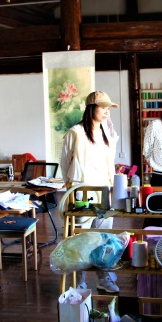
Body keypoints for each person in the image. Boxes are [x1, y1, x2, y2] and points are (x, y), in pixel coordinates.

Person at [59, 90, 120, 292]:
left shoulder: (106, 133)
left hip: (104, 189)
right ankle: (80, 281)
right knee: (81, 237)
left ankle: (103, 277)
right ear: (91, 108)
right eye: (103, 107)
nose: (106, 112)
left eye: (108, 108)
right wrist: (71, 185)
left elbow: (110, 161)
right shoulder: (75, 133)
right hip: (82, 191)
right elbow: (65, 162)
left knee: (104, 235)